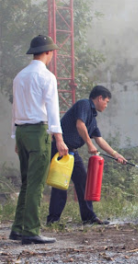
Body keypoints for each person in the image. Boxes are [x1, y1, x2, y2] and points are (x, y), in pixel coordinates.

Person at [10, 35, 69, 245]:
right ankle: (31, 231)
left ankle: (18, 229)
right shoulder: (47, 77)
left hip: (23, 132)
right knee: (36, 185)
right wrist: (59, 138)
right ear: (48, 53)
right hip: (38, 132)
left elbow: (15, 108)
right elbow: (53, 109)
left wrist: (15, 136)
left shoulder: (19, 76)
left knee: (27, 182)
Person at [47, 85, 127, 226]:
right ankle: (53, 220)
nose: (106, 105)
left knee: (83, 182)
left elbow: (99, 139)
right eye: (106, 101)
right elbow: (80, 125)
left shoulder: (93, 118)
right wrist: (90, 145)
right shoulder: (84, 104)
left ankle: (88, 217)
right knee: (60, 184)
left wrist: (116, 154)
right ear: (99, 98)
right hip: (61, 148)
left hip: (73, 152)